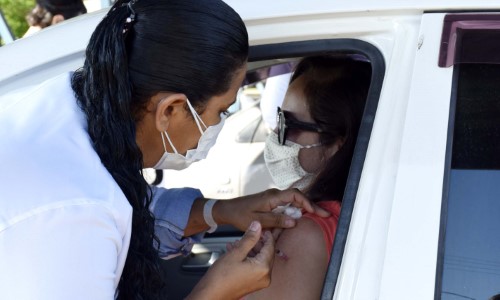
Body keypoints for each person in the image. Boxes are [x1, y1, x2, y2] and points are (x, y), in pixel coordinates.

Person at [0, 1, 329, 300]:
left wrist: (221, 211)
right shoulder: (72, 215)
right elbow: (102, 212)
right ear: (169, 110)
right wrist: (213, 292)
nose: (219, 125)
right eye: (220, 111)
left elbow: (132, 207)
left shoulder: (75, 109)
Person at [243, 55, 372, 299]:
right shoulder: (347, 214)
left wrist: (221, 282)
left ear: (336, 142)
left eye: (289, 124)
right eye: (279, 119)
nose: (277, 135)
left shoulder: (302, 232)